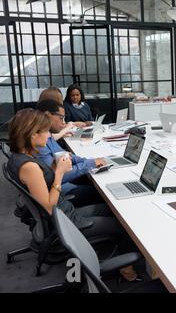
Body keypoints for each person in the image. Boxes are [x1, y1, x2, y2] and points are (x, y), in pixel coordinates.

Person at [7, 109, 140, 281]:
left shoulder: (19, 157)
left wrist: (56, 167)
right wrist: (60, 173)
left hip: (65, 212)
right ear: (33, 135)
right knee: (126, 226)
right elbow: (49, 206)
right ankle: (126, 271)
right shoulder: (29, 167)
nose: (49, 136)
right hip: (66, 222)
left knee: (112, 210)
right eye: (45, 131)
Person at [35, 100, 106, 208]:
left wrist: (88, 161)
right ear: (47, 115)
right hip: (60, 193)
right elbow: (57, 176)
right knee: (103, 192)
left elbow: (65, 156)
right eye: (60, 118)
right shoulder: (40, 142)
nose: (63, 123)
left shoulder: (46, 135)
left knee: (97, 178)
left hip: (61, 186)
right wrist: (89, 163)